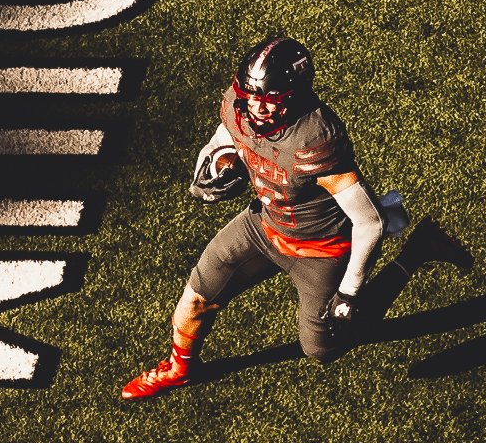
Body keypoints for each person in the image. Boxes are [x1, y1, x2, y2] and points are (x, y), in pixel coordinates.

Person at [122, 32, 405, 399]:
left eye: (272, 100)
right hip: (263, 225)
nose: (257, 107)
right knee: (195, 298)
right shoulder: (238, 103)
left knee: (323, 348)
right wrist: (214, 163)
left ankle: (415, 253)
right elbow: (225, 135)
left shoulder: (313, 139)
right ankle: (179, 369)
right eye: (251, 96)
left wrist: (349, 293)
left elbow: (370, 223)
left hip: (319, 247)